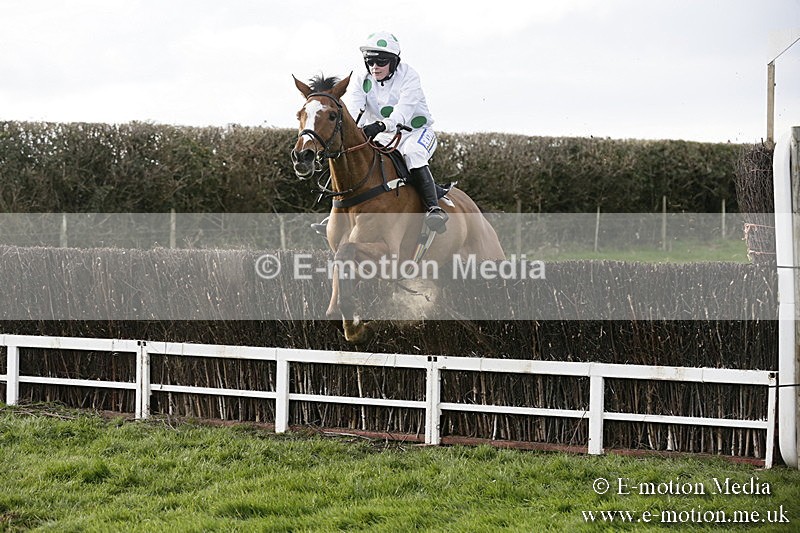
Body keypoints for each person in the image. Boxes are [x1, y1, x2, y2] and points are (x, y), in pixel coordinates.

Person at [347, 31, 448, 232]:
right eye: (370, 62)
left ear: (393, 62)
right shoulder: (361, 79)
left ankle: (433, 208)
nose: (375, 67)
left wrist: (382, 125)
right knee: (357, 155)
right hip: (385, 135)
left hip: (416, 132)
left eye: (381, 62)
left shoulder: (409, 76)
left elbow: (403, 111)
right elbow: (354, 111)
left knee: (413, 153)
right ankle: (341, 212)